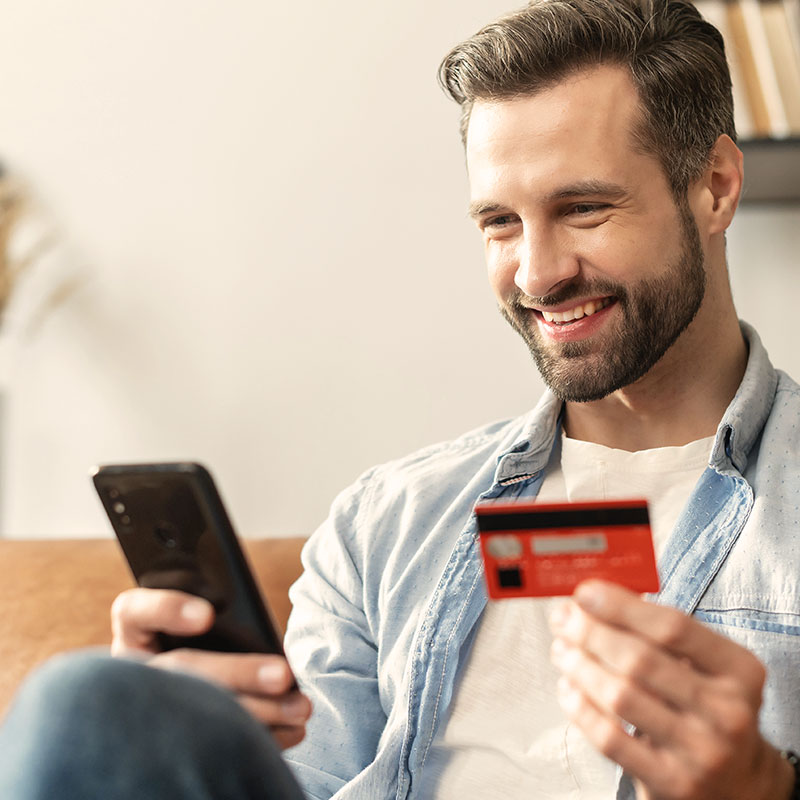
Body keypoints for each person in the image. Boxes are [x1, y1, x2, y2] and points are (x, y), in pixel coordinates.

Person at [0, 0, 797, 798]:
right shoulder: (387, 523)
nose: (537, 274)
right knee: (90, 703)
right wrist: (176, 732)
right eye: (500, 222)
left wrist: (763, 787)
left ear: (717, 187)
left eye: (583, 208)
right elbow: (301, 779)